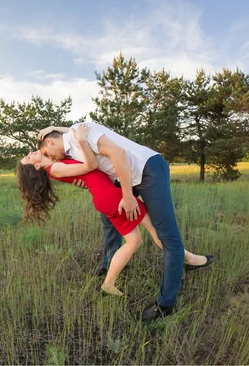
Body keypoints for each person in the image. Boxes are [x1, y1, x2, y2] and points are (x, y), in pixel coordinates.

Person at [37, 122, 213, 321]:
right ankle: (108, 265)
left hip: (148, 171)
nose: (49, 158)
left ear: (49, 141)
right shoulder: (72, 143)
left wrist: (128, 196)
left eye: (46, 152)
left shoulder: (80, 133)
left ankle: (165, 304)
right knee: (109, 221)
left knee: (166, 234)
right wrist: (56, 128)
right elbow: (88, 165)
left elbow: (118, 153)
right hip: (123, 176)